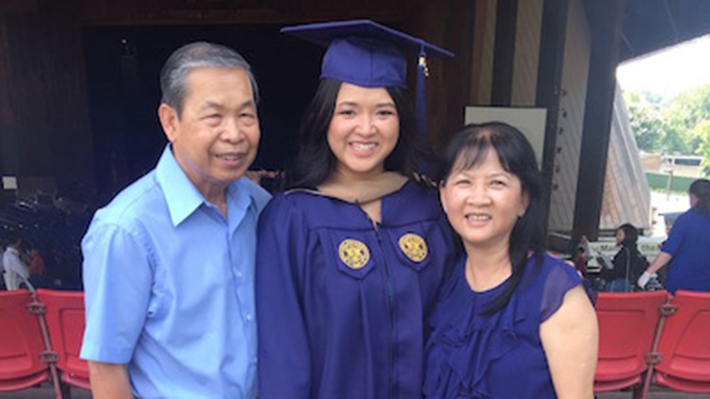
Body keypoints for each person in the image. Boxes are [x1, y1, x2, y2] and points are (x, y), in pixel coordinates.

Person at [256, 20, 458, 399]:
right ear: (324, 118)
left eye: (383, 112)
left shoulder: (430, 210)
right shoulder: (293, 219)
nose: (366, 129)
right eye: (348, 112)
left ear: (401, 119)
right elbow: (282, 359)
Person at [80, 42, 270, 399]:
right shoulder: (126, 230)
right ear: (171, 121)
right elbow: (107, 368)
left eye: (246, 115)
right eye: (214, 116)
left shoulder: (261, 207)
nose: (234, 134)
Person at [424, 122, 598, 398]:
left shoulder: (554, 293)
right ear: (444, 196)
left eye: (497, 183)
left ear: (523, 200)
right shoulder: (442, 282)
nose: (478, 198)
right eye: (464, 182)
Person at [638, 178, 710, 293]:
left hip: (681, 284)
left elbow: (668, 251)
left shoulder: (686, 220)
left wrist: (648, 273)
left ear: (692, 197)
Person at [602, 223, 648, 292]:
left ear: (627, 236)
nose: (617, 237)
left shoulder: (625, 253)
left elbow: (616, 273)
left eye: (620, 235)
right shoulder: (636, 252)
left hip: (619, 286)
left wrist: (603, 270)